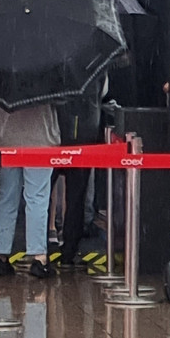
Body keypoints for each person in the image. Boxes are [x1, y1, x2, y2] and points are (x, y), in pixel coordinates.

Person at [0, 95, 60, 278]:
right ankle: (38, 257)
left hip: (7, 136)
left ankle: (0, 255)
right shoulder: (46, 76)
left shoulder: (4, 75)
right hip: (41, 136)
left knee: (6, 197)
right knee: (37, 197)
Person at [56, 69, 110, 268]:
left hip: (56, 131)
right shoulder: (96, 65)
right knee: (77, 197)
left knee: (41, 194)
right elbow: (104, 92)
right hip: (85, 130)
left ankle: (39, 249)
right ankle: (69, 252)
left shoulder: (53, 62)